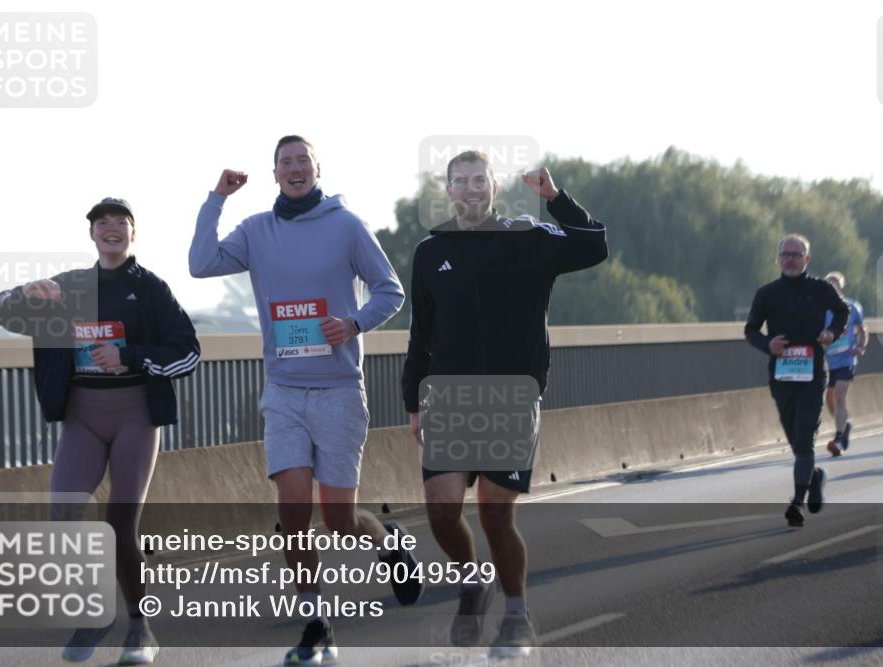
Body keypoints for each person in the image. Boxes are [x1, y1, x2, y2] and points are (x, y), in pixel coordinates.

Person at [189, 135, 417, 666]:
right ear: (274, 175)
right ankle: (316, 622)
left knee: (337, 520)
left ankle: (388, 543)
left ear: (317, 170)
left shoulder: (347, 226)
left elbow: (390, 290)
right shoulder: (256, 231)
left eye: (302, 162)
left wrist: (354, 323)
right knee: (293, 513)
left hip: (338, 390)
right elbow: (201, 264)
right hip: (285, 392)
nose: (294, 169)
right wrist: (217, 198)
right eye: (285, 163)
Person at [401, 150, 608, 657]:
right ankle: (473, 583)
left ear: (493, 186)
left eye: (479, 180)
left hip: (512, 397)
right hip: (448, 398)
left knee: (495, 513)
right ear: (448, 191)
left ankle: (517, 615)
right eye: (460, 182)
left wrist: (556, 198)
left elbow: (594, 245)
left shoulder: (529, 240)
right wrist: (414, 400)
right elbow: (420, 334)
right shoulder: (432, 251)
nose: (471, 189)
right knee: (442, 510)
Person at [0, 197, 201, 665]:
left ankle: (139, 628)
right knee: (64, 513)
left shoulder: (150, 289)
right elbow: (0, 313)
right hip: (82, 416)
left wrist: (127, 356)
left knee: (119, 524)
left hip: (135, 416)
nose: (111, 230)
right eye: (102, 224)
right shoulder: (68, 287)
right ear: (92, 234)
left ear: (132, 234)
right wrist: (28, 292)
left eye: (120, 224)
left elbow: (188, 350)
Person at [744, 234, 849, 527]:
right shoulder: (767, 293)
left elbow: (843, 311)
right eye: (785, 254)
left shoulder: (820, 289)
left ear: (807, 259)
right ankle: (814, 476)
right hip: (781, 376)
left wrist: (832, 333)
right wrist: (768, 344)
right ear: (778, 259)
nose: (790, 258)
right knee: (795, 441)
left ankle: (796, 503)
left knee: (804, 439)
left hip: (813, 373)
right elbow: (751, 330)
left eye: (796, 254)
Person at [821, 271, 868, 456]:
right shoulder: (820, 309)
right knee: (830, 400)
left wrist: (861, 346)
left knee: (840, 396)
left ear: (842, 287)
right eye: (828, 283)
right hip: (828, 361)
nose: (832, 286)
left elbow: (862, 330)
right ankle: (844, 425)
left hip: (847, 359)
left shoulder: (851, 306)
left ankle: (839, 439)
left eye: (835, 283)